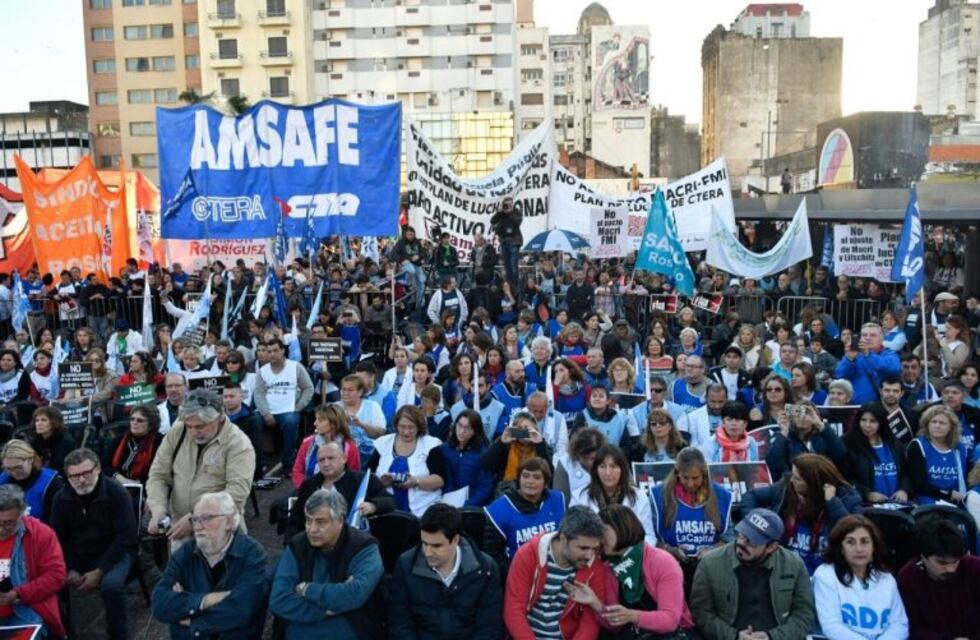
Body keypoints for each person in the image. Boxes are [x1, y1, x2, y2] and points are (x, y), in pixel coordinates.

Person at [562, 504, 696, 638]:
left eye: (603, 532)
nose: (599, 540)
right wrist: (594, 603)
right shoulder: (609, 567)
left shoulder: (661, 561)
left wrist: (633, 616)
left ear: (621, 528)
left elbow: (670, 620)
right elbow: (615, 626)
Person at [270, 489, 385, 640]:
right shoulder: (297, 545)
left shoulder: (364, 547)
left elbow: (355, 594)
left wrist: (306, 589)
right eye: (308, 521)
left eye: (321, 522)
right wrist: (324, 610)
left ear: (340, 521)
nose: (312, 529)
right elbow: (278, 600)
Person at [146, 389, 257, 546]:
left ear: (219, 418)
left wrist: (196, 518)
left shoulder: (238, 443)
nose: (193, 432)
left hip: (221, 530)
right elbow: (158, 475)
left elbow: (237, 492)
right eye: (189, 426)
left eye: (200, 426)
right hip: (180, 528)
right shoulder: (178, 431)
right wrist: (158, 509)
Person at [151, 492, 268, 639]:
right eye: (195, 519)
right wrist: (207, 600)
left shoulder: (252, 554)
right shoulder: (185, 553)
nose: (198, 526)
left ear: (229, 522)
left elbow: (242, 610)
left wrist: (192, 619)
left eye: (207, 518)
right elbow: (159, 605)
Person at [50, 448, 138, 640]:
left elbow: (126, 536)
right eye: (74, 476)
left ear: (97, 468)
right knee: (49, 582)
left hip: (115, 551)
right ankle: (63, 633)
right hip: (79, 554)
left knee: (111, 586)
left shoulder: (116, 492)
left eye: (86, 473)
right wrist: (69, 568)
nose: (81, 480)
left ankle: (118, 634)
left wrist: (99, 571)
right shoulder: (61, 498)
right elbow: (58, 538)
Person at [690, 507, 815, 640]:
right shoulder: (710, 563)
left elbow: (804, 614)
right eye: (742, 535)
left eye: (752, 541)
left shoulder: (794, 565)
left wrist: (772, 637)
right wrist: (734, 636)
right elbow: (701, 613)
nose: (741, 543)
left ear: (771, 547)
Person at [388, 503, 504, 639]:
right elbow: (400, 624)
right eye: (425, 543)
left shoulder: (485, 569)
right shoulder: (406, 565)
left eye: (436, 546)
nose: (428, 552)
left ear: (455, 540)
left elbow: (489, 628)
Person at [742, 453, 863, 574]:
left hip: (827, 575)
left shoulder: (848, 498)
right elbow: (751, 496)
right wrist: (755, 527)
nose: (792, 480)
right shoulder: (786, 488)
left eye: (797, 478)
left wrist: (832, 502)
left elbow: (854, 532)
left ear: (813, 482)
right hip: (785, 572)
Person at [503, 505, 607, 640]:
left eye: (594, 548)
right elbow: (514, 611)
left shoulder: (594, 565)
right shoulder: (528, 554)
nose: (589, 555)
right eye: (583, 548)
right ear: (563, 538)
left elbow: (590, 621)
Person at [812, 515, 909, 640]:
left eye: (865, 541)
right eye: (850, 542)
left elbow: (899, 625)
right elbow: (831, 625)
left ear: (874, 546)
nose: (859, 549)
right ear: (840, 548)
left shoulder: (886, 579)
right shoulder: (826, 575)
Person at [286, 442, 396, 541]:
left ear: (344, 458)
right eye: (321, 460)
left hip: (353, 542)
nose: (326, 463)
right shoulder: (310, 485)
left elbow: (391, 501)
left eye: (331, 458)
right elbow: (296, 519)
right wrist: (291, 547)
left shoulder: (364, 480)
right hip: (316, 542)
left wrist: (374, 506)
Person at [896, 514, 980, 639]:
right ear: (923, 556)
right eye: (942, 562)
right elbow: (912, 627)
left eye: (955, 561)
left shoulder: (974, 568)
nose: (951, 569)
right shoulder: (908, 578)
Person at [0, 484, 67, 637]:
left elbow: (56, 576)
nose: (1, 529)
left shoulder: (41, 534)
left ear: (22, 514)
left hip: (23, 614)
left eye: (9, 523)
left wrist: (18, 594)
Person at [484, 457, 566, 565]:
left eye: (537, 477)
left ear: (546, 482)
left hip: (554, 566)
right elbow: (493, 554)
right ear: (519, 479)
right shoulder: (499, 509)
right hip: (516, 568)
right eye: (525, 476)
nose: (530, 481)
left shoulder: (557, 499)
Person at [570, 444, 657, 546]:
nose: (608, 473)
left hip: (630, 551)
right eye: (602, 466)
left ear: (622, 469)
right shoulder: (579, 497)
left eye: (613, 466)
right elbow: (574, 533)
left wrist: (633, 553)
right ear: (596, 470)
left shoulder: (639, 496)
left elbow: (649, 536)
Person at [369, 405, 445, 517]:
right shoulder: (383, 443)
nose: (406, 432)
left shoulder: (430, 445)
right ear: (396, 425)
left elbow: (440, 480)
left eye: (411, 427)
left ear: (419, 426)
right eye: (402, 426)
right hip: (387, 511)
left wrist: (416, 482)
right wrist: (381, 483)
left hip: (423, 510)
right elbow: (368, 476)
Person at [254, 338, 314, 471]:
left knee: (290, 422)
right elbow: (258, 394)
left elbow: (308, 388)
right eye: (269, 351)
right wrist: (266, 413)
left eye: (275, 350)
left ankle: (288, 463)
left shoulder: (296, 367)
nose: (272, 354)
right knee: (253, 422)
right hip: (267, 410)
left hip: (289, 409)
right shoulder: (262, 371)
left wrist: (298, 407)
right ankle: (259, 463)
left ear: (283, 351)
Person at [841, 403, 911, 505]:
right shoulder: (849, 445)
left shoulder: (895, 444)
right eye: (863, 420)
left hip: (897, 504)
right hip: (866, 506)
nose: (867, 425)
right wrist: (867, 494)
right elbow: (846, 479)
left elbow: (907, 473)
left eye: (873, 421)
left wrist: (904, 490)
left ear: (881, 422)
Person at [905, 403, 969, 505]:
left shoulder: (959, 449)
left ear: (951, 427)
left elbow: (965, 479)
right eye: (933, 422)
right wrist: (948, 494)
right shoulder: (917, 445)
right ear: (927, 424)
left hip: (955, 501)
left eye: (942, 423)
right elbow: (919, 485)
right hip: (927, 501)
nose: (937, 426)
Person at [766, 400, 846, 480]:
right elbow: (772, 464)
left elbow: (841, 454)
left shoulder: (824, 435)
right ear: (792, 417)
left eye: (807, 413)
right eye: (798, 413)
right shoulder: (784, 437)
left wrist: (820, 425)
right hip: (793, 481)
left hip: (821, 480)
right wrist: (783, 433)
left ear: (816, 417)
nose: (802, 417)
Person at [292, 404, 360, 489]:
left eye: (320, 420)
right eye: (316, 419)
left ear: (333, 424)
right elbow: (297, 471)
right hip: (308, 489)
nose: (315, 423)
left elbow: (353, 476)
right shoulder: (307, 443)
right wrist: (306, 488)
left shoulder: (350, 447)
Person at [440, 409, 496, 507]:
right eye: (460, 425)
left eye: (468, 428)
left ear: (475, 431)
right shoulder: (445, 448)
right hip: (448, 502)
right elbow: (445, 480)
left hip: (472, 505)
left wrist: (467, 506)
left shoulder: (483, 454)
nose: (462, 431)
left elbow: (485, 487)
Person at [834, 323, 901, 404]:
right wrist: (849, 359)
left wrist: (869, 354)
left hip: (881, 406)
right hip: (856, 407)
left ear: (882, 338)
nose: (868, 338)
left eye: (873, 335)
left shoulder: (889, 354)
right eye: (864, 335)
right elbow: (840, 375)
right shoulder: (855, 356)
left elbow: (895, 368)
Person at [480, 410, 553, 483]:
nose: (523, 431)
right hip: (508, 486)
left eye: (527, 428)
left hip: (534, 485)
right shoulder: (507, 444)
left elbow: (549, 472)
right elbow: (486, 464)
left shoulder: (542, 445)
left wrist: (540, 444)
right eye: (519, 428)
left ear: (535, 429)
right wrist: (501, 442)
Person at [0, 440, 63, 523]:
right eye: (8, 468)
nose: (13, 472)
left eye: (18, 467)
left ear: (30, 460)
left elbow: (58, 520)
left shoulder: (50, 483)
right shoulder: (3, 480)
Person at [102, 403, 164, 485]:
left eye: (140, 420)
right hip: (116, 483)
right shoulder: (119, 439)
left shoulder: (160, 441)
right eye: (132, 419)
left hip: (145, 486)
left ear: (151, 424)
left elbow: (159, 471)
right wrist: (121, 479)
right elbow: (104, 464)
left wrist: (137, 484)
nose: (135, 422)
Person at [553, 427, 605, 503]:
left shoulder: (608, 463)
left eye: (593, 458)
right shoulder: (564, 463)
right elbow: (561, 500)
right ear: (576, 453)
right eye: (585, 458)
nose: (589, 462)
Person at [29, 406, 77, 475]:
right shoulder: (35, 439)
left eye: (44, 420)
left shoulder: (65, 441)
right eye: (37, 420)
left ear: (54, 422)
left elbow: (60, 467)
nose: (39, 423)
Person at [678, 383, 728, 451]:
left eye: (721, 402)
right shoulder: (692, 418)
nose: (717, 406)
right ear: (706, 398)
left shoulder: (734, 417)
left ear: (726, 399)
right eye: (713, 402)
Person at [490, 197, 522, 285]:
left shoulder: (516, 212)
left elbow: (518, 222)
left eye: (509, 204)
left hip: (514, 241)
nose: (507, 206)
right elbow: (492, 221)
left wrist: (510, 212)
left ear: (513, 204)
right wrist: (499, 211)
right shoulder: (502, 213)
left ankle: (515, 286)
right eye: (506, 204)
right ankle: (509, 285)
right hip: (504, 241)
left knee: (513, 265)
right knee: (507, 266)